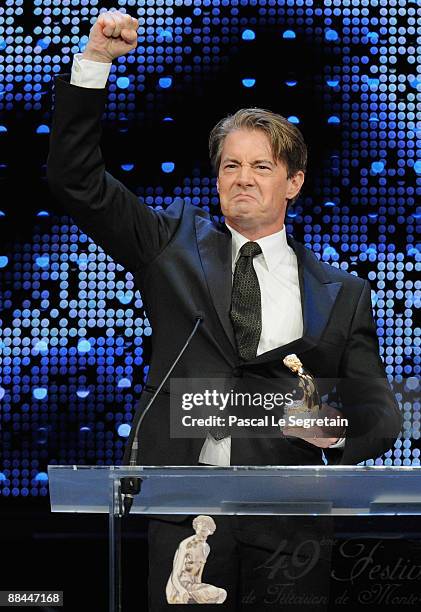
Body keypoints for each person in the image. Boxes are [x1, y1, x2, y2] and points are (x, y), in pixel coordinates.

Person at [47, 10, 402, 610]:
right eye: (230, 166)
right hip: (188, 516)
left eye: (262, 166)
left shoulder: (342, 292)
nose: (243, 179)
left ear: (293, 182)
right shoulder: (170, 245)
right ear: (216, 181)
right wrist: (96, 65)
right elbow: (76, 179)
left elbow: (380, 415)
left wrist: (333, 431)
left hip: (290, 525)